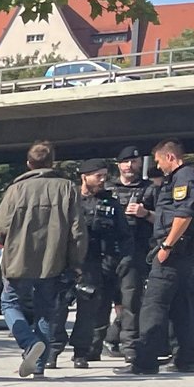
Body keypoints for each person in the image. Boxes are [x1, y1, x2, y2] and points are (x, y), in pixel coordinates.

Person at [0, 140, 84, 378]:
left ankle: (28, 342)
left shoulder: (15, 189)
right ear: (52, 162)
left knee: (9, 303)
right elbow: (78, 231)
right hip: (53, 261)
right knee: (46, 310)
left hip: (18, 258)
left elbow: (0, 227)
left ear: (29, 164)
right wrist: (76, 262)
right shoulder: (67, 188)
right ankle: (39, 364)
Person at [124, 140, 194, 375]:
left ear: (170, 157)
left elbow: (184, 216)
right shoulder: (186, 177)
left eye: (160, 162)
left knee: (154, 305)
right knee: (180, 305)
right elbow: (171, 215)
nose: (159, 167)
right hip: (181, 250)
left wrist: (167, 246)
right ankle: (186, 358)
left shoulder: (184, 178)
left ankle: (145, 361)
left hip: (174, 250)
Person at [72, 159, 124, 370]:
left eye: (105, 175)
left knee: (90, 309)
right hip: (67, 261)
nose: (103, 180)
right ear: (84, 176)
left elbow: (122, 234)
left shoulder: (109, 202)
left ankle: (82, 352)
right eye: (98, 176)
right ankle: (52, 352)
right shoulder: (69, 200)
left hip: (94, 262)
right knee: (56, 311)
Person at [108, 145, 156, 360]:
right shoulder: (108, 188)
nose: (129, 165)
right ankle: (99, 341)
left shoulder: (150, 189)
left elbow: (165, 218)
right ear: (118, 164)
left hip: (136, 250)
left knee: (131, 300)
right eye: (125, 161)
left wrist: (145, 213)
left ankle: (129, 345)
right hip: (108, 251)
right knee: (101, 300)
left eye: (134, 161)